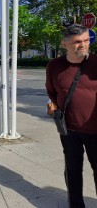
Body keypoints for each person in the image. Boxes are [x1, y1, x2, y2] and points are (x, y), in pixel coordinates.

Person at [46, 24, 97, 207]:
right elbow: (51, 90)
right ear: (64, 44)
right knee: (73, 170)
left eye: (86, 40)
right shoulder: (54, 66)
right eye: (77, 42)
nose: (83, 45)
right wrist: (54, 105)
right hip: (69, 130)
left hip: (95, 131)